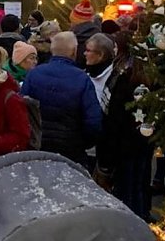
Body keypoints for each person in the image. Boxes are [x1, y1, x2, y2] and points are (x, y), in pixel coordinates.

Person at [21, 31, 103, 167]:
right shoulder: (82, 79)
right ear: (74, 51)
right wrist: (84, 143)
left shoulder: (34, 74)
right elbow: (93, 121)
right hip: (71, 148)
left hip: (38, 146)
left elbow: (23, 109)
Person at [97, 31, 154, 220]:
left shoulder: (121, 77)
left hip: (123, 143)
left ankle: (128, 224)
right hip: (144, 140)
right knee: (140, 182)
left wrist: (106, 153)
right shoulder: (148, 76)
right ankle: (142, 216)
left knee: (126, 187)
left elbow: (113, 115)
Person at [84, 34, 117, 172]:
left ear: (101, 55)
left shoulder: (114, 78)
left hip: (106, 143)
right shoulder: (85, 74)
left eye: (88, 50)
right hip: (87, 142)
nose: (84, 53)